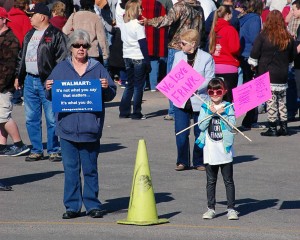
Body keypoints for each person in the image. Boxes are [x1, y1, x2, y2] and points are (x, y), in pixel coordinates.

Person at [45, 29, 117, 219]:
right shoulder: (61, 68)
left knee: (90, 169)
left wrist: (106, 88)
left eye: (84, 46)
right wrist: (48, 88)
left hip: (90, 128)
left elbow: (111, 93)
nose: (81, 49)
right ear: (71, 48)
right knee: (70, 170)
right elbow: (51, 94)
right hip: (67, 129)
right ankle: (72, 206)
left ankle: (92, 204)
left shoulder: (98, 68)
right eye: (77, 45)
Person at [14, 2, 68, 162]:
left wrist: (55, 80)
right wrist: (19, 76)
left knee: (52, 117)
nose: (29, 18)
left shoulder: (56, 35)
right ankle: (36, 150)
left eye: (32, 15)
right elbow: (21, 57)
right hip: (30, 80)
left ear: (42, 17)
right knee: (31, 117)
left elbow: (62, 59)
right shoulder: (29, 34)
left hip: (48, 82)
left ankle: (53, 149)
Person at [142, 0, 204, 121]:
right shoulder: (199, 8)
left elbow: (167, 20)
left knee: (175, 80)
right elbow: (202, 28)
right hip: (194, 47)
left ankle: (174, 111)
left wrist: (148, 21)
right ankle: (189, 109)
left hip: (178, 46)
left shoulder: (180, 6)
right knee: (189, 80)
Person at [195, 77, 238, 220]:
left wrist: (222, 114)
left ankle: (231, 209)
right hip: (210, 150)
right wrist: (210, 114)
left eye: (218, 91)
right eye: (211, 91)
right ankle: (210, 208)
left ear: (224, 91)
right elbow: (200, 126)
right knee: (211, 181)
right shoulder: (205, 106)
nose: (215, 94)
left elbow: (232, 125)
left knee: (228, 180)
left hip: (224, 150)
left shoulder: (228, 106)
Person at [173, 29, 215, 171]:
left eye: (183, 43)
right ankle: (182, 161)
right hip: (181, 100)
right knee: (181, 133)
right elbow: (174, 75)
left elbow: (210, 78)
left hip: (200, 100)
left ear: (193, 44)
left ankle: (199, 161)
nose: (180, 45)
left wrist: (195, 87)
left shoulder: (206, 58)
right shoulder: (178, 56)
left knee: (200, 133)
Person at [248, 10, 294, 136]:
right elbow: (292, 56)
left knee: (271, 100)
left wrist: (254, 65)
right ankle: (284, 127)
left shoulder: (264, 35)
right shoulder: (287, 36)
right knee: (282, 100)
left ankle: (273, 128)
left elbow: (254, 54)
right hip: (282, 73)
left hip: (267, 72)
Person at [0, 7, 30, 157]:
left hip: (4, 85)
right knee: (0, 116)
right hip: (2, 84)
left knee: (4, 116)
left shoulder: (9, 39)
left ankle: (19, 144)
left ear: (4, 20)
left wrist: (1, 85)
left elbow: (9, 67)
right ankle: (2, 145)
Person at [118, 0, 151, 120]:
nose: (142, 10)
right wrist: (147, 61)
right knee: (138, 86)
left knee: (129, 85)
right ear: (135, 10)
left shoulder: (124, 24)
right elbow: (143, 44)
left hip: (127, 56)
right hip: (138, 56)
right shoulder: (138, 25)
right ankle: (136, 112)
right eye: (140, 8)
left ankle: (124, 111)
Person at [238, 0, 265, 131]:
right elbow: (256, 40)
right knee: (253, 87)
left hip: (243, 54)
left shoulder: (243, 18)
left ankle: (249, 119)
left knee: (248, 85)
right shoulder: (255, 19)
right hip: (251, 55)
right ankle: (249, 120)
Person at [208, 5, 240, 103]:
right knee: (228, 99)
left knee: (216, 98)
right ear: (227, 15)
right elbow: (234, 49)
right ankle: (228, 117)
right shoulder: (230, 29)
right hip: (228, 67)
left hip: (215, 66)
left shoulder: (213, 29)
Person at [63, 0, 109, 65]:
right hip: (92, 52)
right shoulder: (96, 17)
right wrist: (105, 55)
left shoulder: (74, 16)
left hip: (77, 51)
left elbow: (65, 30)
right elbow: (102, 38)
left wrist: (74, 36)